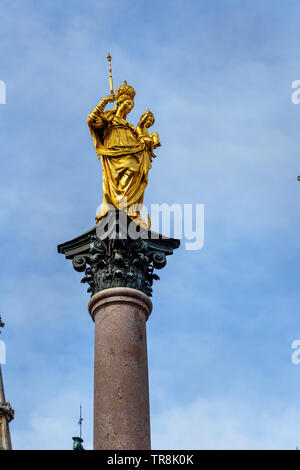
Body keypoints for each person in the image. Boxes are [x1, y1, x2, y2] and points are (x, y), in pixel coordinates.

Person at [87, 81, 159, 228]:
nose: (129, 107)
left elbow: (140, 139)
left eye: (131, 105)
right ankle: (118, 208)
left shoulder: (130, 126)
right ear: (119, 103)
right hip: (114, 151)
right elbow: (92, 119)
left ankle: (130, 212)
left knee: (137, 173)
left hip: (132, 150)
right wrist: (104, 101)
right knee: (129, 169)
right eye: (127, 103)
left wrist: (148, 140)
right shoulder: (109, 118)